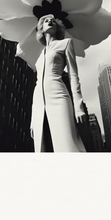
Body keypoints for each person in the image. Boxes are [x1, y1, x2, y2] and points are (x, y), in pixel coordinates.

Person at [30, 14, 87, 152]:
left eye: (53, 22)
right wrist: (33, 118)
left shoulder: (66, 43)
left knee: (67, 143)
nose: (49, 22)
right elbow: (38, 84)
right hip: (39, 101)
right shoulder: (40, 54)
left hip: (59, 95)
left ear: (57, 28)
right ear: (41, 29)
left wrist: (78, 106)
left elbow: (73, 75)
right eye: (45, 21)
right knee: (41, 148)